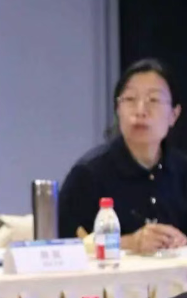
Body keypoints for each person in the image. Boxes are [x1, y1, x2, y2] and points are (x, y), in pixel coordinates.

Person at [59, 58, 187, 254]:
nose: (140, 111)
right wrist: (129, 243)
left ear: (174, 115)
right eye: (130, 99)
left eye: (153, 100)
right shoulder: (89, 174)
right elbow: (61, 247)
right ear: (118, 110)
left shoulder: (182, 170)